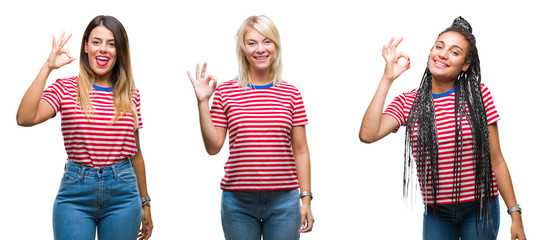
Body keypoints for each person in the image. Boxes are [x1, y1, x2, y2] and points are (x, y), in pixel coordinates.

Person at [358, 17, 526, 240]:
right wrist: (387, 78)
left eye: (454, 52)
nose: (443, 54)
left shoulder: (478, 95)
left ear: (465, 64)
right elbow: (368, 135)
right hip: (437, 213)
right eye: (439, 47)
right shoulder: (409, 102)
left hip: (480, 207)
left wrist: (515, 215)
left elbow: (496, 159)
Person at [16, 15, 153, 240]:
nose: (103, 50)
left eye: (111, 44)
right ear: (86, 46)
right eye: (96, 42)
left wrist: (146, 203)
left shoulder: (131, 95)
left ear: (119, 51)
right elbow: (25, 118)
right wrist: (48, 67)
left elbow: (136, 154)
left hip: (124, 195)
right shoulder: (66, 88)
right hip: (75, 194)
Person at [187, 15, 314, 240]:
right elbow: (213, 146)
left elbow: (301, 150)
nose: (260, 49)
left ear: (276, 45)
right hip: (238, 203)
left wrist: (306, 198)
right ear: (243, 48)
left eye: (267, 41)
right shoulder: (226, 91)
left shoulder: (291, 94)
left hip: (284, 201)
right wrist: (202, 103)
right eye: (252, 43)